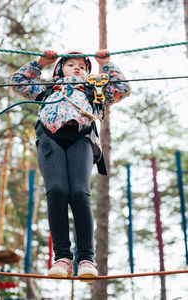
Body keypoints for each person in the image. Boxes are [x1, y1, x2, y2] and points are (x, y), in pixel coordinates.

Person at [10, 49, 131, 279]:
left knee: (78, 193)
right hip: (50, 139)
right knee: (56, 191)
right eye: (71, 64)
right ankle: (62, 259)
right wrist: (40, 62)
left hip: (81, 138)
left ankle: (86, 259)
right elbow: (18, 82)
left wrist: (105, 64)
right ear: (60, 69)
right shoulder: (47, 90)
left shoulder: (92, 90)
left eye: (83, 67)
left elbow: (122, 89)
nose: (77, 68)